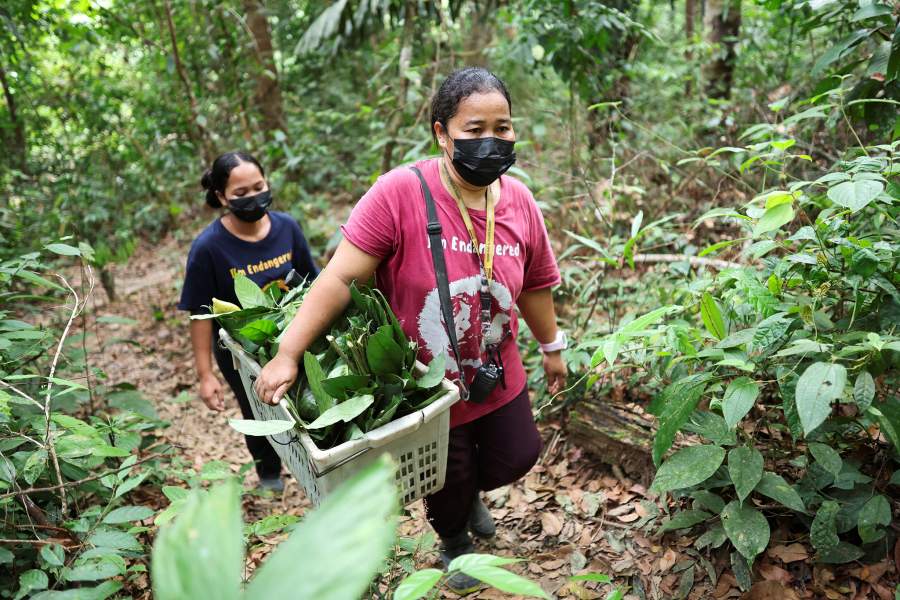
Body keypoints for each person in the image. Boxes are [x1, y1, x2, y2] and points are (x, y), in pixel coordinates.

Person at [254, 67, 566, 594]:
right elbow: (338, 278)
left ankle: (468, 494)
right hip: (426, 384)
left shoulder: (519, 202)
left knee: (518, 454)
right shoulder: (402, 191)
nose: (490, 141)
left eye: (503, 127)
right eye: (473, 129)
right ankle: (455, 544)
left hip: (495, 368)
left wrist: (552, 348)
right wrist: (288, 352)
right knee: (446, 473)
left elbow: (535, 283)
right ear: (441, 133)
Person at [177, 151, 319, 492]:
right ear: (221, 197)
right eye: (240, 193)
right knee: (257, 408)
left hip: (292, 333)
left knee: (308, 396)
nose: (253, 197)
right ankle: (269, 474)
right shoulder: (208, 248)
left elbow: (315, 283)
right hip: (240, 352)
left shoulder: (288, 227)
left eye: (259, 186)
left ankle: (317, 465)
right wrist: (205, 374)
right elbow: (200, 315)